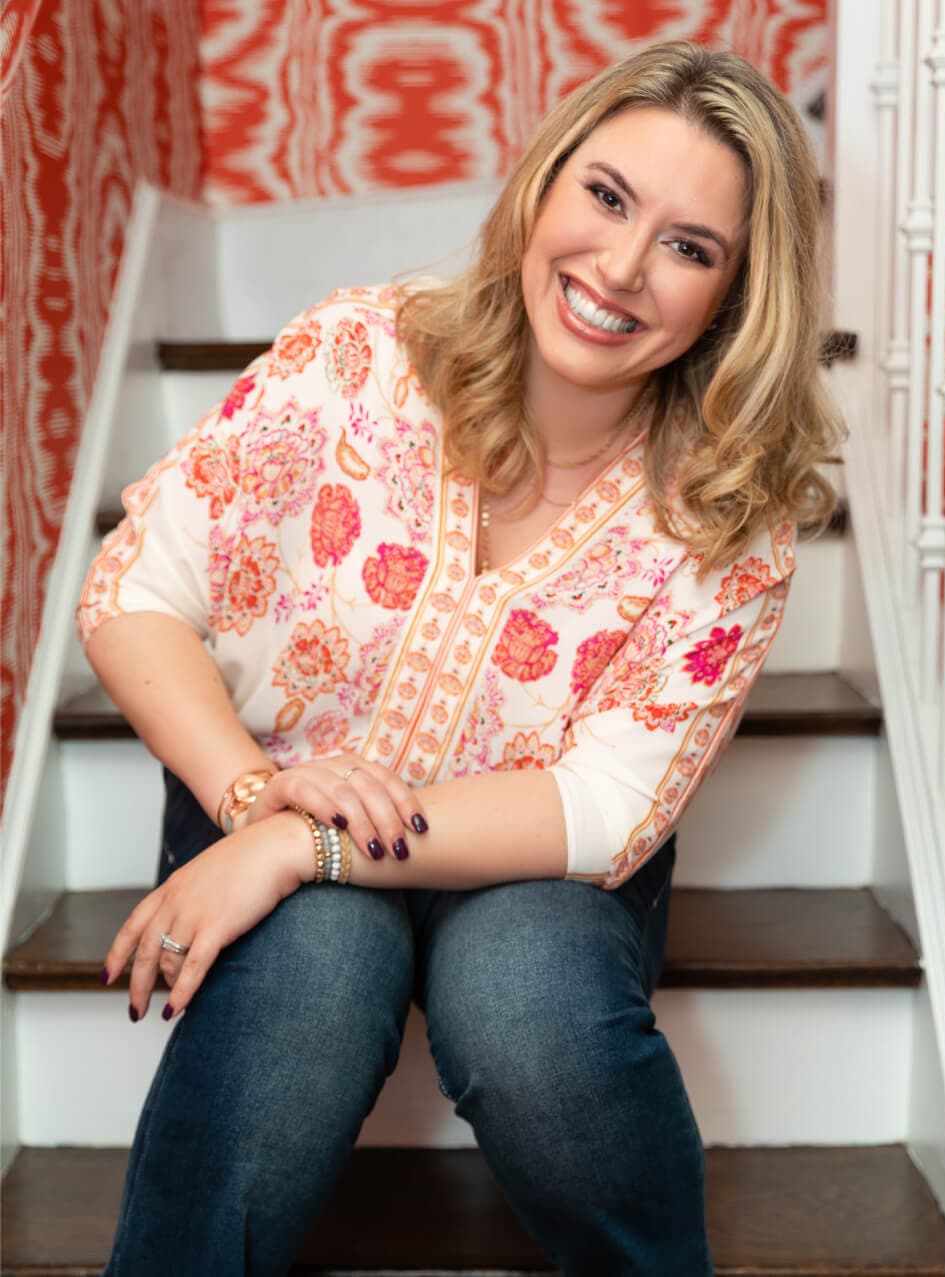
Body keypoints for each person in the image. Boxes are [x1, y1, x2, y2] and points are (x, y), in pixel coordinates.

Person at [81, 39, 842, 1276]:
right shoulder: (356, 355)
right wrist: (252, 800)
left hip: (532, 865)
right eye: (605, 196)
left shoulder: (727, 516)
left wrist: (295, 839)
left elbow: (602, 805)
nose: (620, 268)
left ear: (736, 294)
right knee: (313, 962)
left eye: (689, 247)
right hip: (264, 781)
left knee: (528, 994)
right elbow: (133, 590)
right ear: (545, 183)